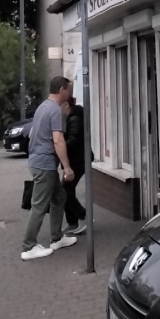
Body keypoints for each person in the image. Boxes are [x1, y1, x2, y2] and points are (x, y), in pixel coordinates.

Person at [21, 76, 78, 260]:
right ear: (62, 90)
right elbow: (58, 140)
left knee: (59, 197)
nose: (69, 93)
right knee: (39, 205)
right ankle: (28, 247)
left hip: (39, 162)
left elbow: (33, 134)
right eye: (68, 89)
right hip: (44, 164)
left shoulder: (42, 107)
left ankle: (57, 238)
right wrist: (67, 167)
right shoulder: (55, 111)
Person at [61, 97, 87, 235]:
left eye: (60, 105)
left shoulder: (75, 118)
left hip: (78, 161)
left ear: (66, 104)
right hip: (75, 160)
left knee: (64, 191)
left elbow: (73, 140)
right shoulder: (71, 117)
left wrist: (59, 146)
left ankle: (84, 216)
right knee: (66, 190)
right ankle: (72, 222)